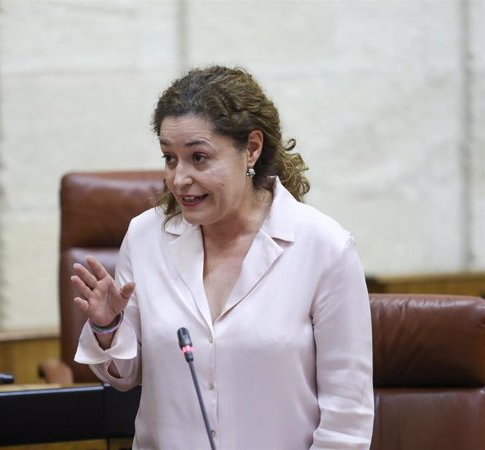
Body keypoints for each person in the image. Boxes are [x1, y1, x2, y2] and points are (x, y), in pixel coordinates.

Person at [73, 65, 374, 449]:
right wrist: (107, 328)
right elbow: (124, 375)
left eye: (199, 158)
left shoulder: (325, 247)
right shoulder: (145, 237)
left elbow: (347, 418)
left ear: (251, 148)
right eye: (169, 158)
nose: (179, 178)